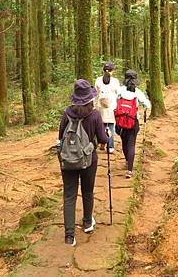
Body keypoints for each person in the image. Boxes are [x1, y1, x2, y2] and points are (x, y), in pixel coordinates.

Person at [58, 79, 109, 246]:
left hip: (68, 161)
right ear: (89, 97)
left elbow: (61, 137)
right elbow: (102, 139)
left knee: (69, 196)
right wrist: (106, 134)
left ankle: (69, 236)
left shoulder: (67, 113)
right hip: (88, 160)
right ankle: (87, 223)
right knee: (87, 191)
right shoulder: (94, 115)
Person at [116, 69, 151, 179]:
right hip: (132, 121)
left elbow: (113, 104)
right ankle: (130, 170)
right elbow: (147, 105)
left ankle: (127, 160)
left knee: (124, 142)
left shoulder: (120, 91)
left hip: (120, 122)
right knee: (131, 144)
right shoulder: (137, 92)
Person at [94, 62, 120, 154]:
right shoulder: (115, 81)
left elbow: (95, 94)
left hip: (100, 107)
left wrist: (95, 106)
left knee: (101, 126)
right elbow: (118, 94)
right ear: (112, 70)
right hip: (112, 107)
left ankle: (101, 142)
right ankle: (110, 146)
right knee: (111, 127)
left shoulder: (98, 80)